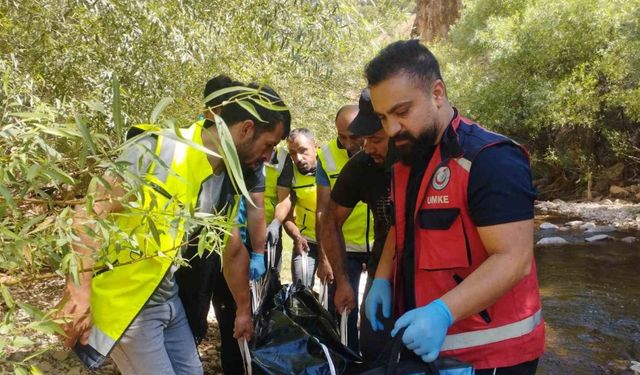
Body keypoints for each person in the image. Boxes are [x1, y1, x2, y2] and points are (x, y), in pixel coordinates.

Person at [58, 74, 290, 375]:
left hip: (168, 299)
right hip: (128, 306)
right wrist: (78, 293)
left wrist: (244, 310)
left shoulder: (228, 179)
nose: (269, 157)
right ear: (246, 129)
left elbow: (231, 249)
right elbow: (91, 214)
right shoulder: (157, 149)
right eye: (269, 145)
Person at [363, 40, 544, 373]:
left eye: (402, 112)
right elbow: (403, 226)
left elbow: (514, 259)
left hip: (492, 357)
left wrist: (441, 313)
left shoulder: (490, 159)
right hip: (427, 351)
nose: (391, 129)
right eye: (383, 117)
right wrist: (382, 277)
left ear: (437, 93)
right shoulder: (406, 160)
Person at [176, 78, 291, 375]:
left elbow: (247, 219)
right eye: (269, 145)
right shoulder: (175, 151)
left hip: (221, 248)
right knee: (190, 315)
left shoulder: (241, 167)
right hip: (161, 279)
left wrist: (257, 254)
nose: (268, 157)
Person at [321, 88, 394, 362]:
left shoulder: (424, 161)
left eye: (376, 139)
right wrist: (342, 281)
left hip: (425, 279)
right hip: (380, 274)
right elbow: (329, 222)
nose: (367, 147)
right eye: (365, 139)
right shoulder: (361, 166)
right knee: (374, 353)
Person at [316, 105, 374, 352]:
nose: (349, 143)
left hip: (378, 246)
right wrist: (324, 257)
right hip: (343, 247)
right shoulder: (326, 155)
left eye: (354, 136)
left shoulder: (380, 149)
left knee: (374, 312)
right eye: (342, 137)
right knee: (343, 310)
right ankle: (347, 360)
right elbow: (323, 211)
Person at [276, 128, 320, 286]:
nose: (298, 158)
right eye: (293, 153)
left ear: (316, 146)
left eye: (303, 151)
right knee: (301, 288)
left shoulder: (331, 166)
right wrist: (297, 238)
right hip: (307, 240)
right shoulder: (290, 172)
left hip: (336, 240)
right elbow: (286, 216)